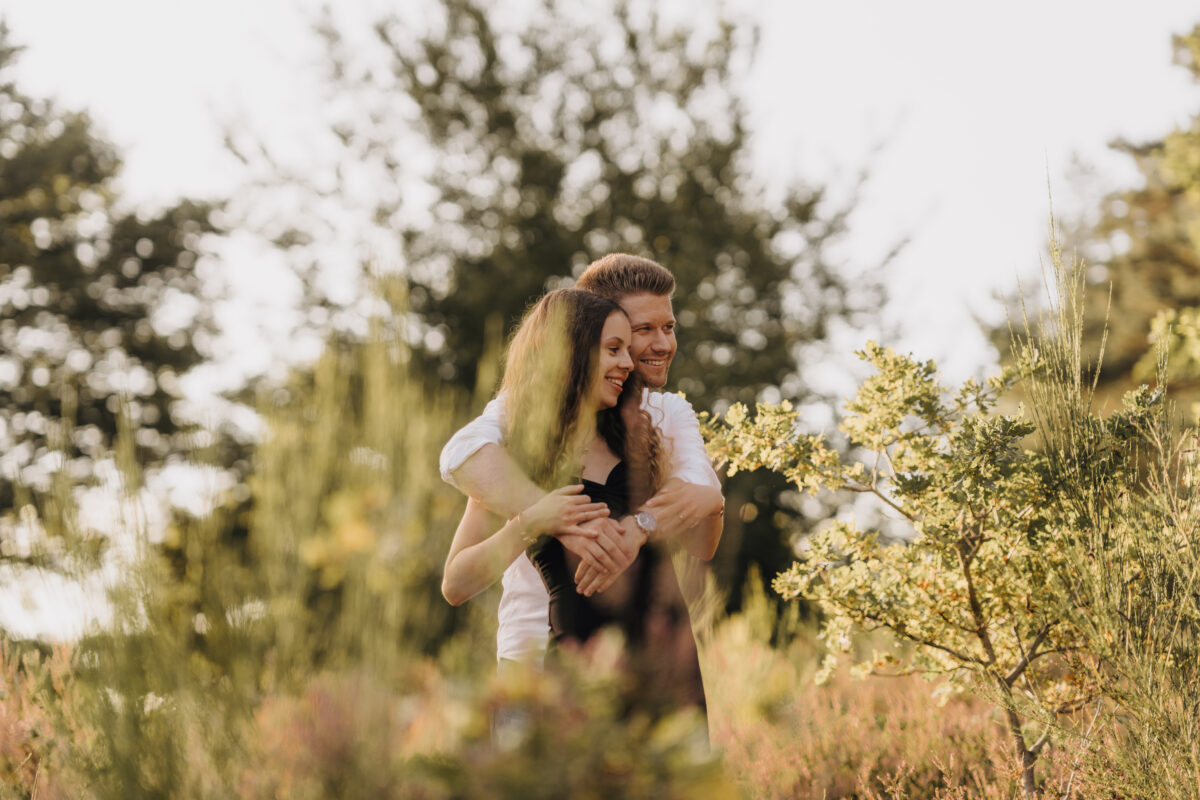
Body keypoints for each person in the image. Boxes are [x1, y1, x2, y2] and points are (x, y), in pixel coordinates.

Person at [438, 254, 724, 668]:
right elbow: (461, 452)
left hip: (643, 660)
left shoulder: (665, 416)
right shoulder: (521, 424)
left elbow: (704, 505)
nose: (663, 344)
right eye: (642, 330)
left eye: (668, 327)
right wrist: (551, 519)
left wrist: (637, 529)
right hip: (532, 654)